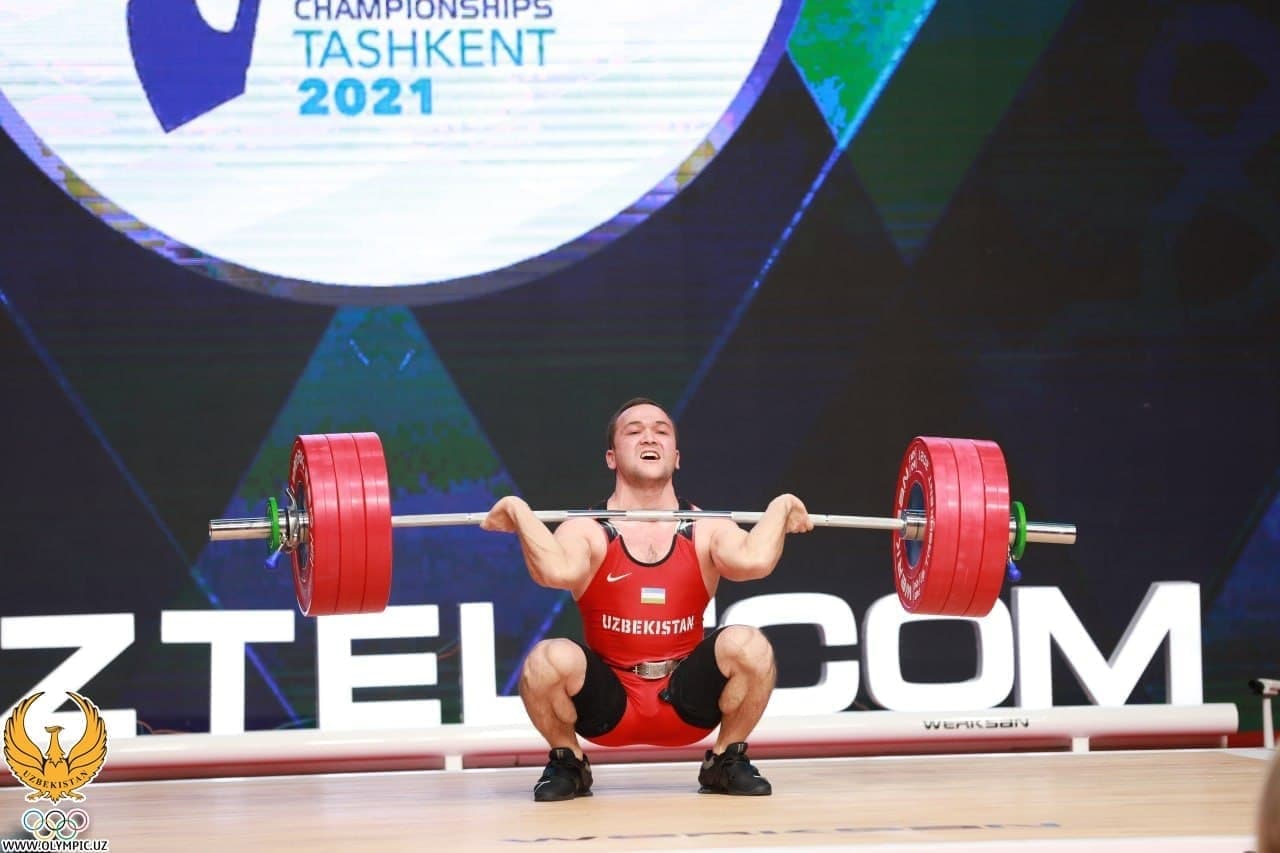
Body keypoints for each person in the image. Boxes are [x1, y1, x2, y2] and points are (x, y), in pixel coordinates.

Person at [481, 397, 813, 801]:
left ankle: (726, 760)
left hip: (686, 704)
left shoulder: (707, 527)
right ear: (611, 457)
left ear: (676, 457)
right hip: (610, 706)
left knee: (750, 645)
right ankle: (569, 763)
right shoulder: (587, 528)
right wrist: (519, 511)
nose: (649, 437)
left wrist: (781, 506)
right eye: (634, 431)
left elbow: (754, 561)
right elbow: (556, 572)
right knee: (546, 659)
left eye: (661, 431)